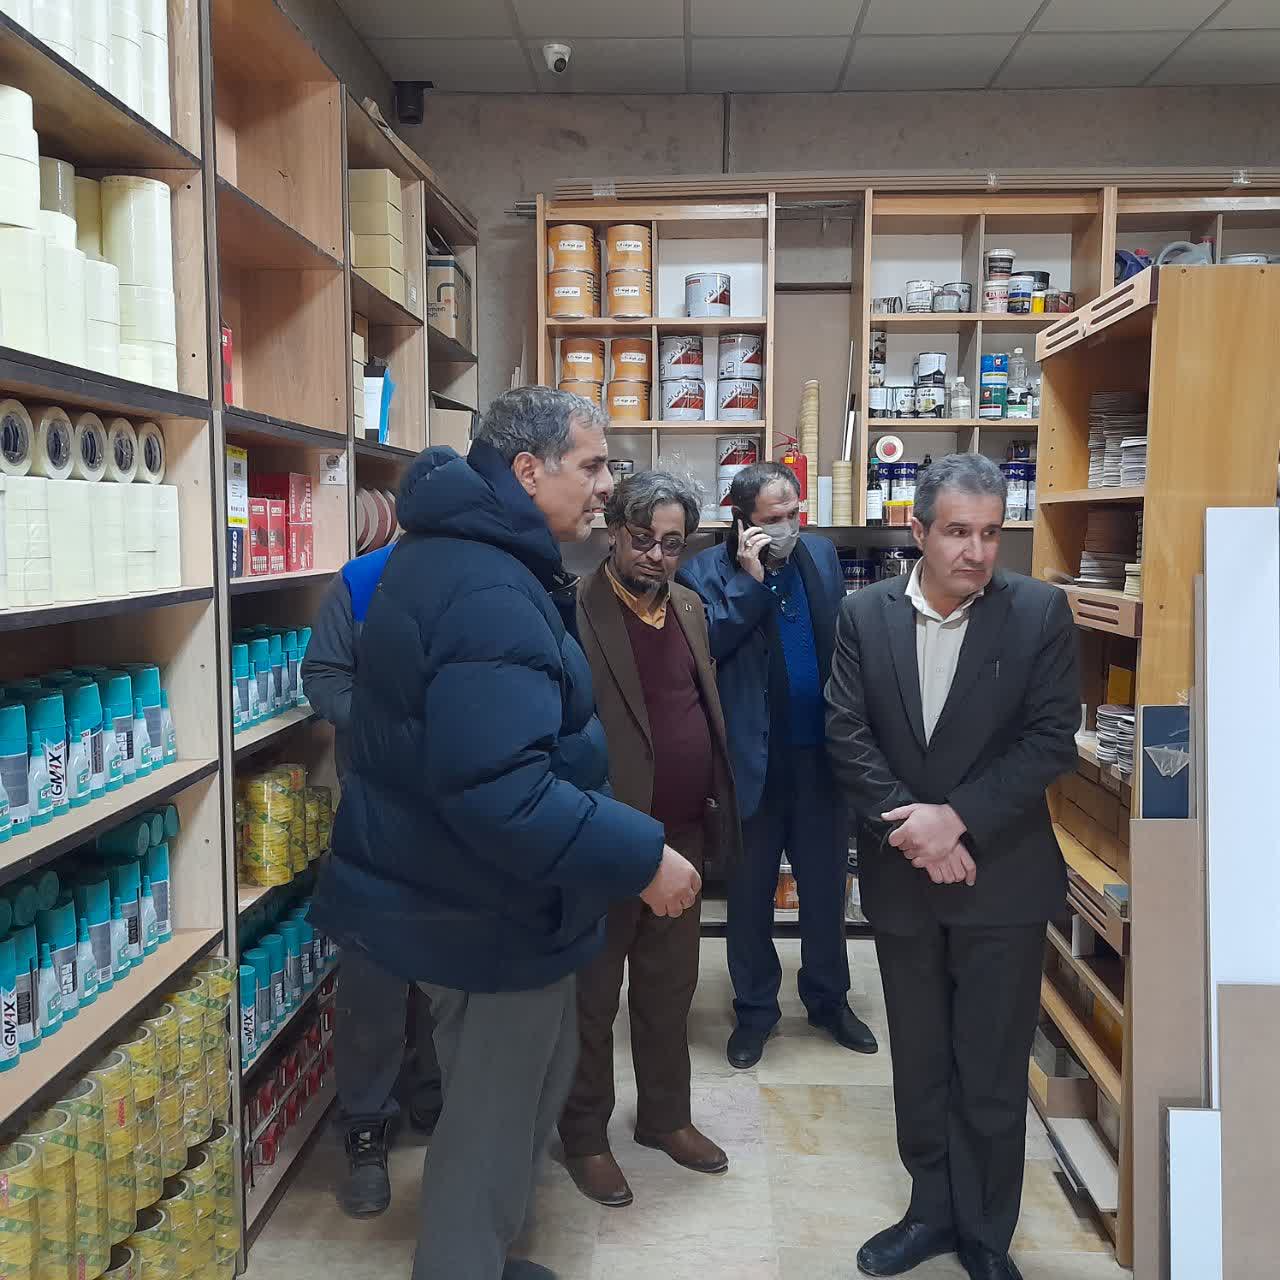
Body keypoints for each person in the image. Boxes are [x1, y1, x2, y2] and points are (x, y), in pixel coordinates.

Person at [313, 387, 702, 1280]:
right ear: (528, 470)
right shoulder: (487, 583)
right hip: (481, 903)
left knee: (527, 1088)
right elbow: (502, 789)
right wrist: (642, 855)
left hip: (472, 887)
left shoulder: (468, 553)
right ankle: (463, 1264)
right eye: (592, 466)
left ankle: (484, 1256)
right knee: (490, 1120)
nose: (606, 487)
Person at [824, 453, 1080, 1280]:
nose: (977, 551)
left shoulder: (1038, 611)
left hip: (1000, 877)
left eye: (991, 533)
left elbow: (1050, 739)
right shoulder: (863, 614)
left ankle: (985, 1233)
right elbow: (846, 733)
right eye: (958, 532)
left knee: (993, 1068)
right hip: (904, 879)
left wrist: (956, 819)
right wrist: (917, 832)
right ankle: (930, 1211)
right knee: (922, 1059)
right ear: (918, 529)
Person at [559, 470, 742, 1209]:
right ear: (613, 532)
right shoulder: (574, 608)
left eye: (673, 544)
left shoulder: (690, 607)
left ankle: (665, 1118)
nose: (658, 556)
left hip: (684, 834)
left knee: (670, 988)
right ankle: (584, 1136)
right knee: (593, 998)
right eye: (644, 539)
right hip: (607, 838)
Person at [679, 462, 877, 1069]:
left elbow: (839, 642)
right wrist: (750, 579)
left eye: (794, 514)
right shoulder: (702, 573)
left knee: (824, 889)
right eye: (774, 518)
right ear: (741, 521)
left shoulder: (820, 554)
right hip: (751, 763)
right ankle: (755, 1011)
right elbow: (709, 645)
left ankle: (828, 1000)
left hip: (821, 759)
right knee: (749, 894)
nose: (789, 527)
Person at [302, 542, 443, 1218]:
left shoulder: (485, 572)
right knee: (372, 978)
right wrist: (384, 720)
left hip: (460, 817)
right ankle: (365, 1128)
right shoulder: (359, 582)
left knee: (451, 963)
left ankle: (433, 1088)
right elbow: (323, 674)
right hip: (376, 813)